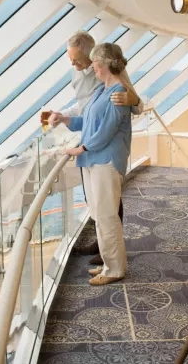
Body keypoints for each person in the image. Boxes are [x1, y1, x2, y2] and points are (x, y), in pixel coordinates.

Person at [47, 31, 142, 265]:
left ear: (95, 59)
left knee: (109, 208)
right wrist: (64, 117)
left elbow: (130, 107)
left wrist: (81, 148)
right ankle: (103, 245)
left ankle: (111, 257)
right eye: (71, 59)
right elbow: (84, 109)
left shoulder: (112, 80)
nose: (73, 64)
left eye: (77, 60)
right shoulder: (89, 81)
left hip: (101, 151)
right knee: (98, 206)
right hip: (90, 145)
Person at [59, 43, 131, 285]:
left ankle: (114, 269)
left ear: (107, 65)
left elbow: (105, 131)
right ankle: (109, 264)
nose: (93, 70)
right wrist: (65, 119)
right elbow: (88, 121)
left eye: (96, 66)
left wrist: (81, 148)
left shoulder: (118, 93)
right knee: (100, 215)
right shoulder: (102, 90)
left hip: (105, 161)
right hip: (92, 160)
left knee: (107, 216)